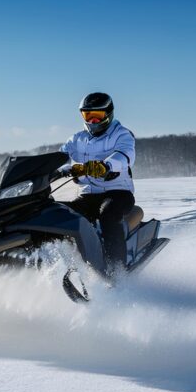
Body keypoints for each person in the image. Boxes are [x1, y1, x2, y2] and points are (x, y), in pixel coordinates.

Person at [59, 92, 136, 274]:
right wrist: (56, 168)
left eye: (97, 116)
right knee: (58, 214)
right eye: (88, 116)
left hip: (118, 193)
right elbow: (61, 156)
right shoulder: (77, 139)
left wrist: (106, 165)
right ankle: (68, 264)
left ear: (108, 114)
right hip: (87, 195)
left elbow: (125, 155)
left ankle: (116, 271)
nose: (93, 121)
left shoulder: (122, 134)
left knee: (107, 214)